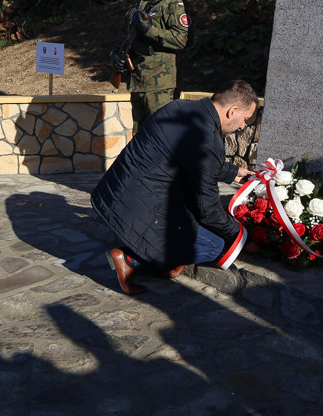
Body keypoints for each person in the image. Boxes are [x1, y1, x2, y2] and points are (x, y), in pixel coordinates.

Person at [91, 80, 257, 295]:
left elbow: (193, 158)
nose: (244, 126)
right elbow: (208, 209)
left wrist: (234, 172)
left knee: (193, 223)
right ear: (232, 111)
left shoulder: (180, 107)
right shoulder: (207, 138)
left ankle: (160, 262)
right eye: (245, 119)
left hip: (116, 192)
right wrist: (243, 236)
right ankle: (131, 259)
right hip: (144, 205)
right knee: (214, 245)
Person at [110, 0, 191, 131]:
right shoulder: (137, 3)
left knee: (161, 141)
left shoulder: (171, 0)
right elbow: (128, 38)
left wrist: (151, 30)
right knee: (140, 143)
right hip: (138, 82)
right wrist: (115, 55)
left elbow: (182, 39)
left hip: (161, 86)